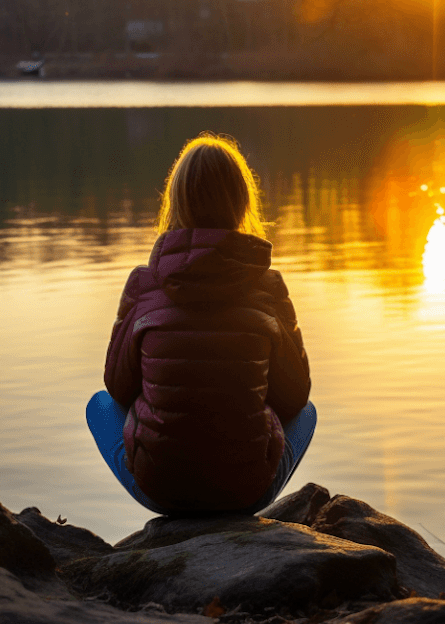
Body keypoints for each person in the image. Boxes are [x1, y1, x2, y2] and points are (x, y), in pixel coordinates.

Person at [86, 133, 315, 515]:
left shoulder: (144, 285)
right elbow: (294, 397)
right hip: (246, 492)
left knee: (100, 404)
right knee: (306, 412)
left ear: (175, 202)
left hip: (161, 490)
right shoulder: (267, 287)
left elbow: (119, 388)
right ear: (242, 201)